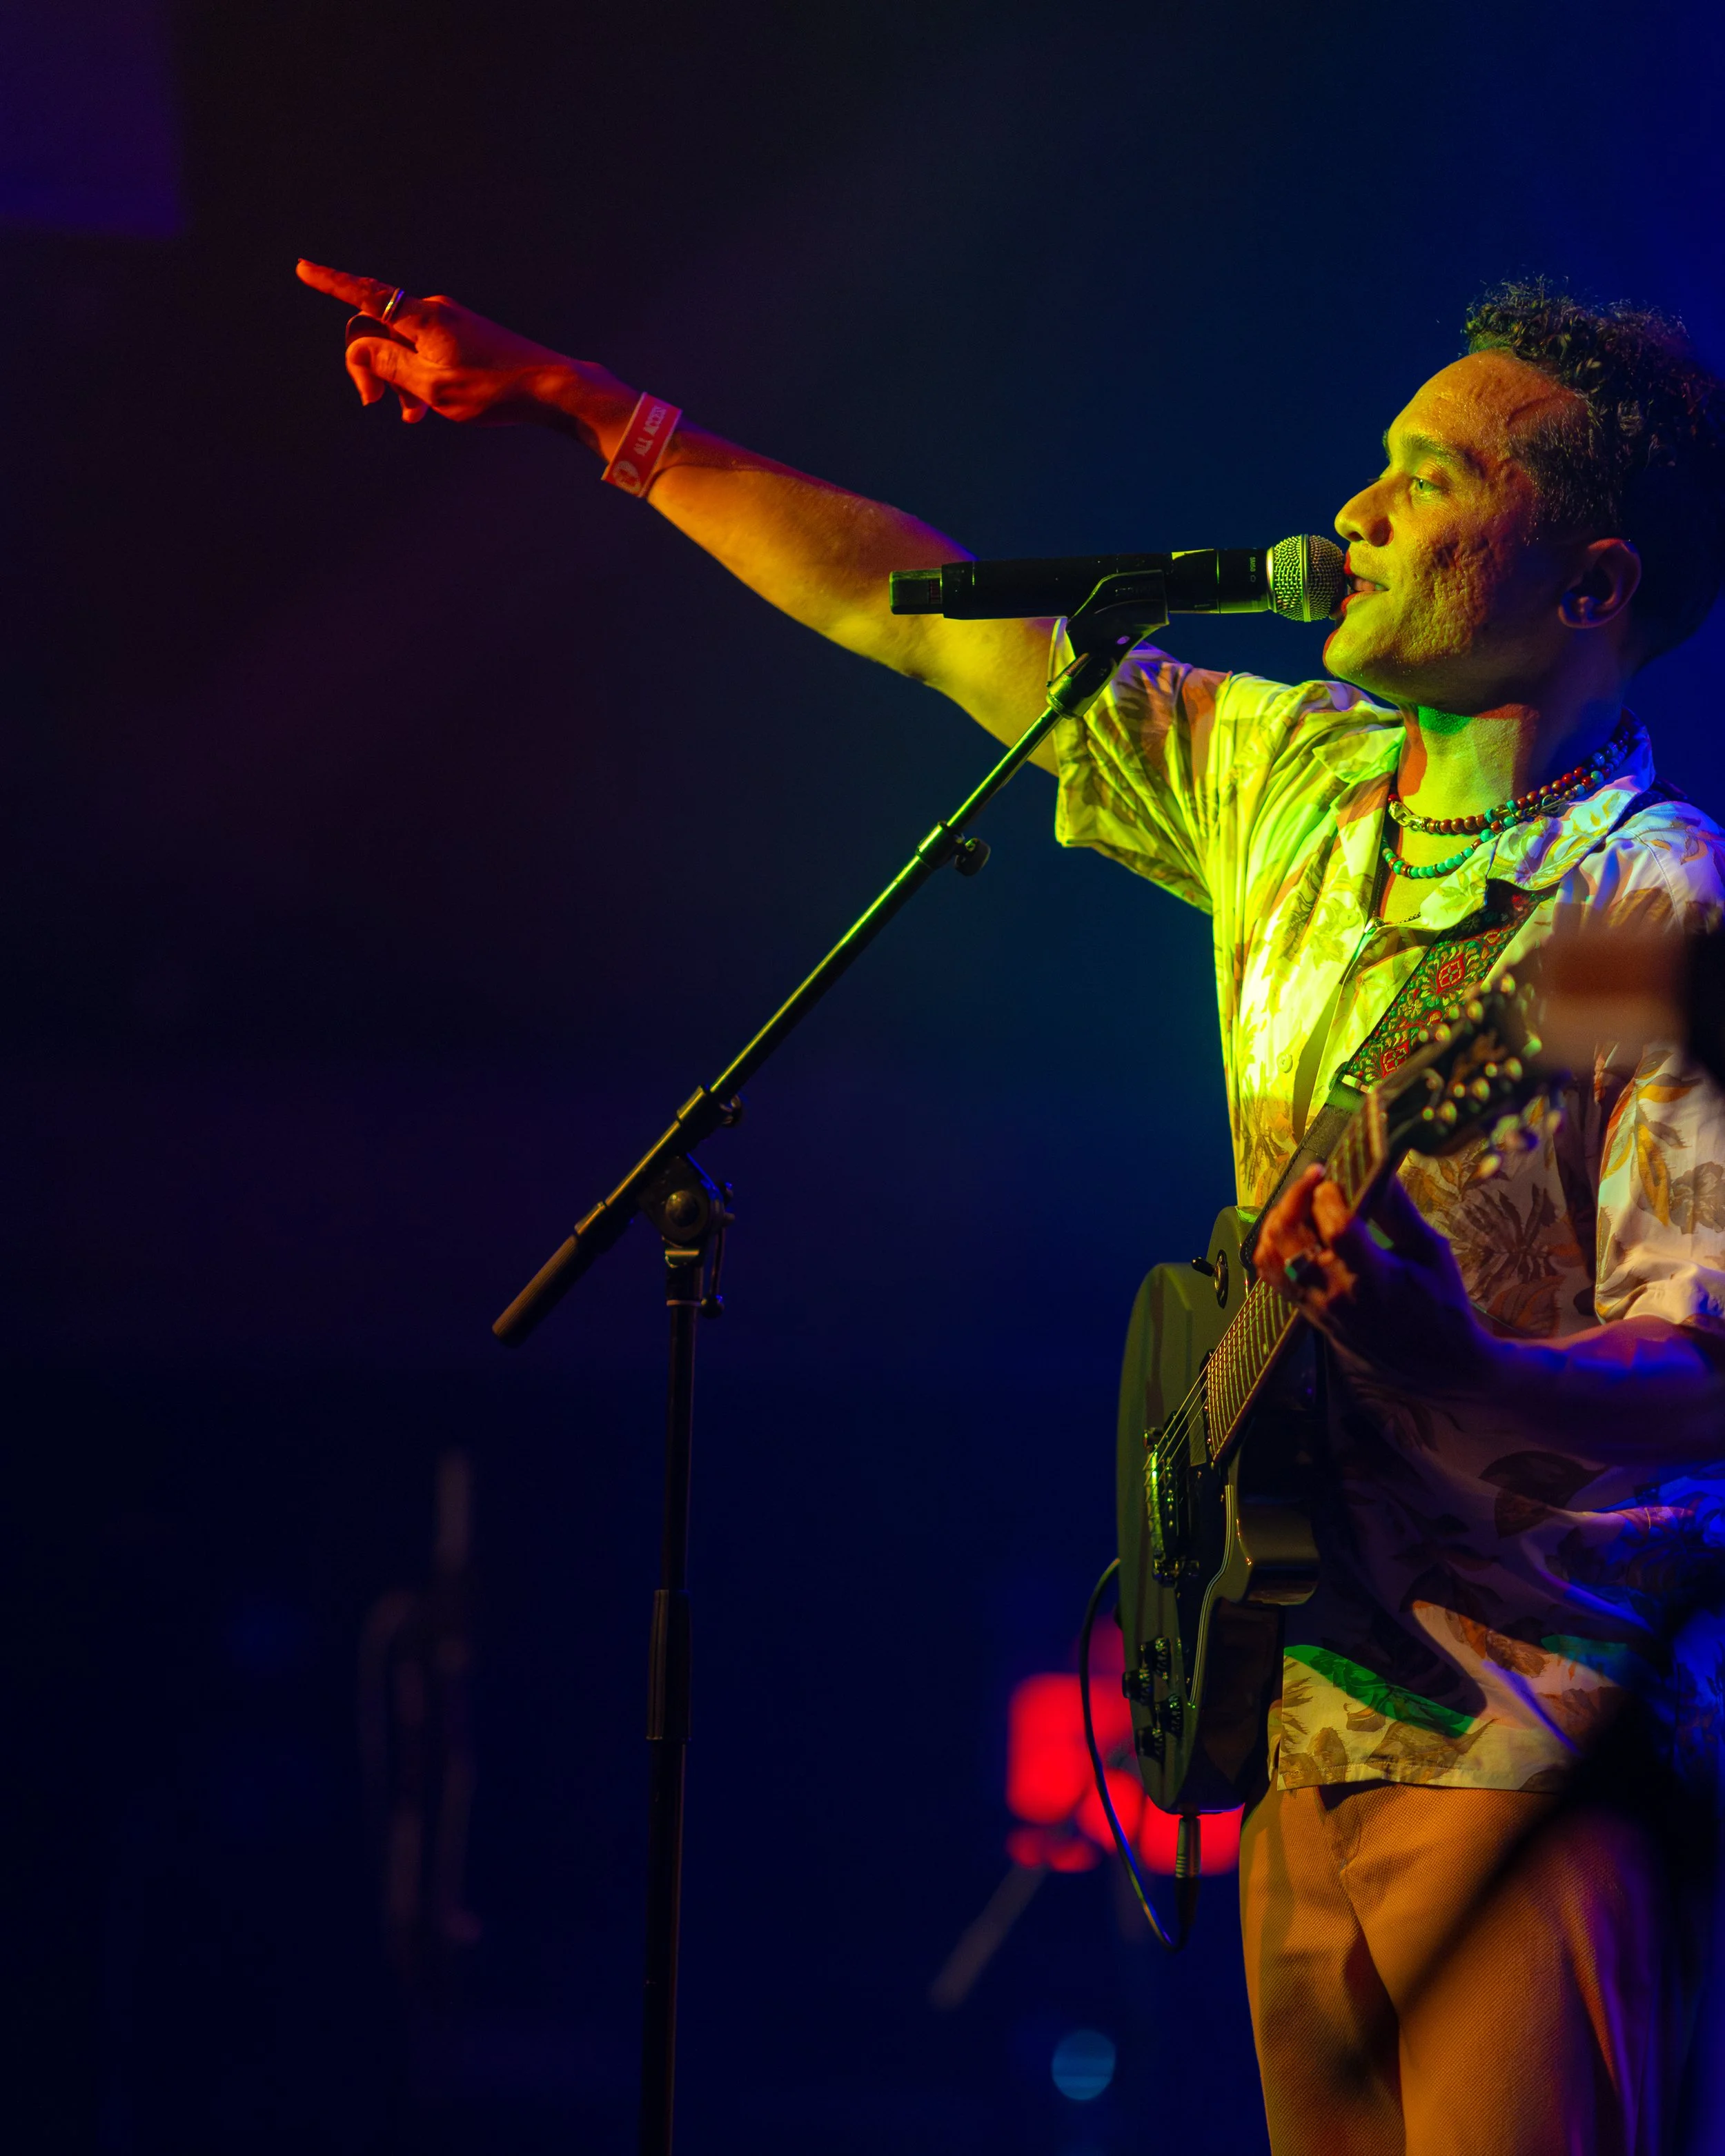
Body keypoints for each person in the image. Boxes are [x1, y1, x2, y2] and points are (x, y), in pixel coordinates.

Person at [298, 259, 1725, 2153]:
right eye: (1378, 459)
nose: (1357, 509)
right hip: (1294, 1717)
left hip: (1541, 1744)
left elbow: (1708, 1363)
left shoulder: (1652, 907)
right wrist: (586, 408)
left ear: (1594, 584)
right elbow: (912, 612)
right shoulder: (1290, 780)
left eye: (1433, 479)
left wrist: (1462, 1361)